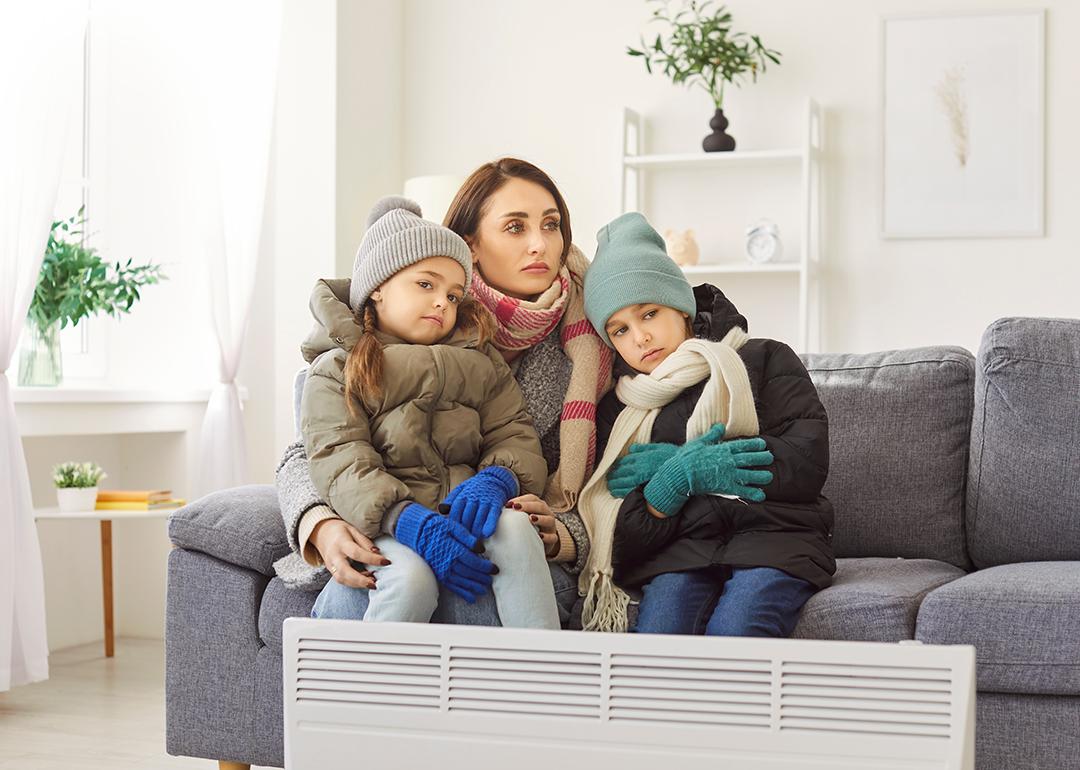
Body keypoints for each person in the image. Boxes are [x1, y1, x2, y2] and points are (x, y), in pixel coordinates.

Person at [274, 158, 613, 628]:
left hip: (496, 532)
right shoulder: (353, 358)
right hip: (389, 527)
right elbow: (317, 451)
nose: (540, 244)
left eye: (551, 225)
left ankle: (547, 687)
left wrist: (549, 523)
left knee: (508, 538)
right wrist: (322, 523)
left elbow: (606, 486)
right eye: (515, 227)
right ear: (471, 247)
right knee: (408, 579)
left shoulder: (598, 347)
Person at [576, 211, 835, 635]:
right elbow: (623, 533)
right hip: (679, 554)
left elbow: (806, 463)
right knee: (659, 641)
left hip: (776, 542)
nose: (638, 337)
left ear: (680, 306)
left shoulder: (764, 359)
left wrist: (693, 465)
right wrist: (671, 481)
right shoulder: (619, 411)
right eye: (618, 330)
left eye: (648, 313)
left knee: (737, 631)